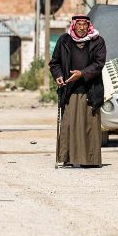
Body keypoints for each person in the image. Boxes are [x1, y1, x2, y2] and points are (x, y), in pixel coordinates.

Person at [49, 14, 106, 168]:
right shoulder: (64, 40)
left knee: (89, 126)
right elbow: (55, 63)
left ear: (89, 26)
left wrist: (82, 73)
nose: (82, 27)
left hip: (90, 90)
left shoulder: (98, 41)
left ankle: (90, 160)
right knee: (69, 125)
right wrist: (58, 75)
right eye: (79, 24)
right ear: (73, 25)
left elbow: (99, 63)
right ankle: (68, 158)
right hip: (69, 91)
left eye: (84, 24)